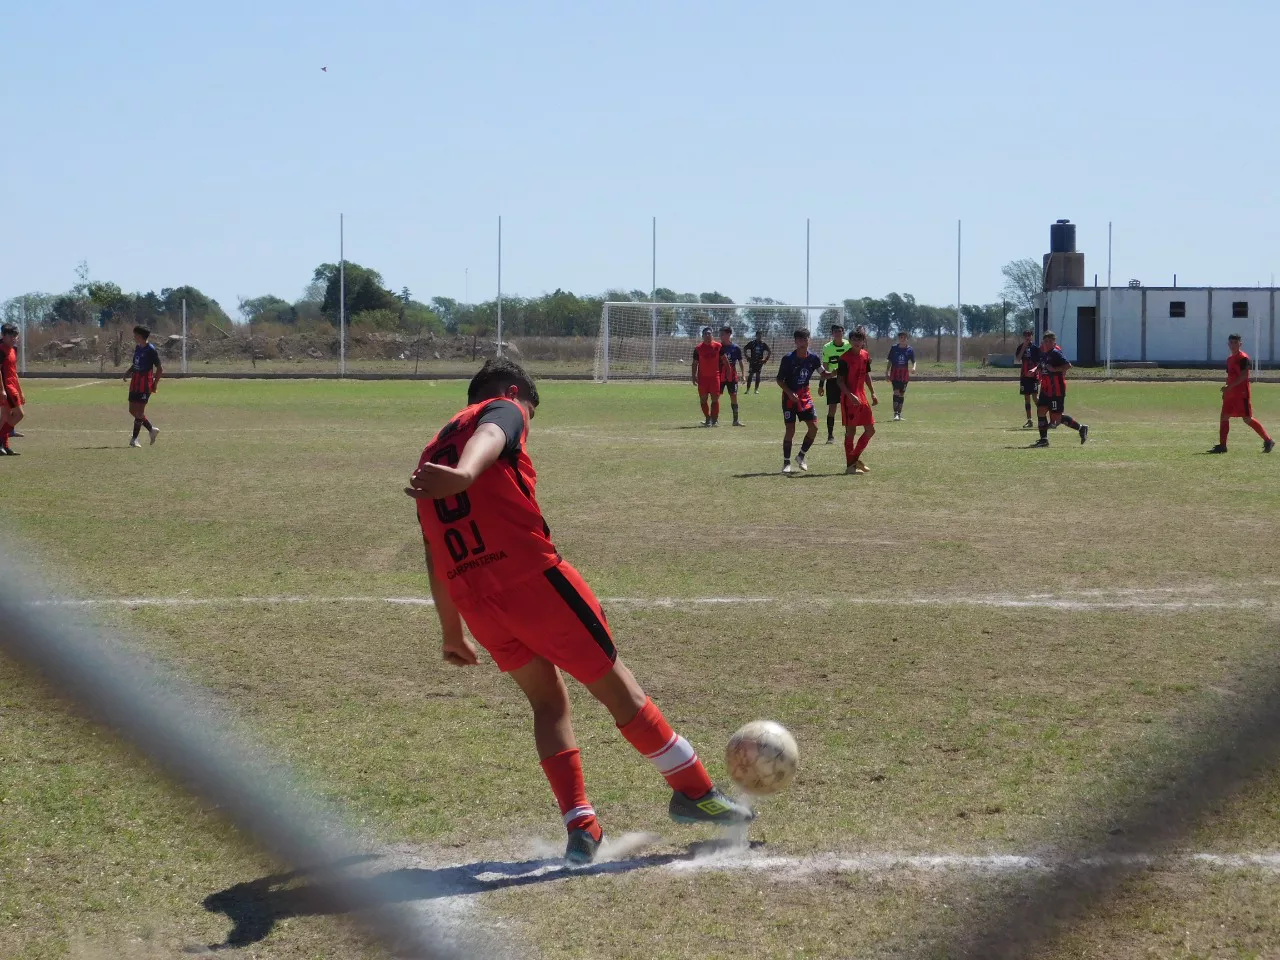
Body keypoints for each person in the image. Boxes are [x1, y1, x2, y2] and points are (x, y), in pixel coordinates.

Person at [405, 358, 752, 865]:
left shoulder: (429, 453)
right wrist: (465, 474)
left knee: (548, 704)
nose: (526, 422)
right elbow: (493, 435)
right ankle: (694, 792)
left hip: (476, 600)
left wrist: (451, 632)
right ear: (514, 391)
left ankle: (581, 824)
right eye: (530, 410)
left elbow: (435, 551)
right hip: (532, 582)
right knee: (619, 689)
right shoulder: (502, 408)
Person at [1209, 334, 1273, 454]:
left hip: (1241, 394)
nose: (1233, 345)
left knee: (1247, 419)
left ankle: (1268, 440)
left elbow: (1244, 376)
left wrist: (1229, 387)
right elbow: (1230, 376)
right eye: (1231, 342)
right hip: (1230, 394)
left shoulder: (1243, 358)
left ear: (1240, 344)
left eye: (1235, 342)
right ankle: (1222, 446)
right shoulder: (1229, 359)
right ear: (1228, 344)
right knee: (1224, 416)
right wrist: (1226, 391)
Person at [775, 328, 823, 474]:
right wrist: (789, 393)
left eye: (805, 339)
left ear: (809, 340)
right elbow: (779, 380)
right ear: (795, 342)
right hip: (789, 399)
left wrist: (834, 372)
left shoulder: (814, 358)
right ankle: (786, 462)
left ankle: (801, 456)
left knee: (814, 428)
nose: (802, 342)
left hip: (805, 397)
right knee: (790, 429)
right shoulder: (788, 359)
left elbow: (823, 373)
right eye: (799, 340)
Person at [1032, 332, 1087, 447]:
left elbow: (1068, 365)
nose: (1047, 343)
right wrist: (1035, 370)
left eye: (1050, 341)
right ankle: (1043, 439)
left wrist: (1054, 369)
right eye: (1046, 341)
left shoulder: (1056, 353)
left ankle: (1081, 428)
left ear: (1054, 343)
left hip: (1056, 389)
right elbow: (1042, 365)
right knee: (1041, 411)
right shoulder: (1044, 354)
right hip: (1046, 389)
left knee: (1056, 419)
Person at [837, 328, 879, 474]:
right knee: (851, 431)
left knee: (870, 430)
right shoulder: (844, 358)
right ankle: (851, 467)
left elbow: (866, 376)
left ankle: (853, 460)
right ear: (850, 341)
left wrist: (873, 392)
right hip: (849, 399)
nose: (856, 342)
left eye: (859, 339)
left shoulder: (865, 355)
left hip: (862, 397)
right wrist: (850, 395)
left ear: (863, 341)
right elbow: (840, 382)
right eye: (854, 339)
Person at [124, 325, 162, 448]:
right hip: (135, 381)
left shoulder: (151, 350)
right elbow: (135, 363)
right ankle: (152, 429)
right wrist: (128, 371)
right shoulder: (138, 348)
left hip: (145, 383)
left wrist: (154, 384)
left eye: (135, 335)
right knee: (132, 410)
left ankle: (134, 439)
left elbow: (160, 368)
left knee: (139, 411)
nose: (134, 337)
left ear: (140, 336)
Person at [818, 324, 854, 444]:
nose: (837, 333)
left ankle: (848, 433)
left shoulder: (849, 345)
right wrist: (821, 384)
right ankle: (830, 435)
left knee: (848, 407)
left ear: (843, 332)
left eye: (839, 331)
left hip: (847, 381)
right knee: (832, 408)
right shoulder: (827, 347)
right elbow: (825, 367)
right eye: (835, 332)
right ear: (832, 334)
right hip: (833, 382)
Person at [691, 327, 725, 426]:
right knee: (703, 399)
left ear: (712, 335)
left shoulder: (718, 346)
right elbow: (694, 363)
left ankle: (715, 419)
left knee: (715, 398)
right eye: (705, 334)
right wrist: (693, 376)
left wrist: (727, 371)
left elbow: (724, 360)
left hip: (715, 377)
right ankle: (707, 418)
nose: (707, 335)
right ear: (702, 336)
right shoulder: (698, 349)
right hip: (703, 378)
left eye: (709, 333)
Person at [0, 323, 24, 456]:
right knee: (19, 414)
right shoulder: (0, 349)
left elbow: (13, 371)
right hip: (5, 387)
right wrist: (2, 390)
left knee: (5, 417)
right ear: (3, 336)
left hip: (12, 385)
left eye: (15, 336)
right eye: (10, 336)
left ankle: (5, 446)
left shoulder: (14, 349)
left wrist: (20, 390)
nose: (14, 339)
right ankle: (0, 441)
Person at [884, 331, 916, 421]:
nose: (902, 339)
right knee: (896, 392)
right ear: (899, 338)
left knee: (902, 394)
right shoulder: (894, 348)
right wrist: (886, 372)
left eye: (904, 337)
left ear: (907, 339)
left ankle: (899, 414)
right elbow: (890, 360)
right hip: (895, 373)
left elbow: (914, 361)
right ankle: (895, 414)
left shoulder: (910, 349)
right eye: (901, 337)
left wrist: (914, 367)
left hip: (904, 374)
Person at [718, 326, 745, 426]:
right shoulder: (718, 347)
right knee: (716, 396)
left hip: (732, 376)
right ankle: (713, 419)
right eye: (720, 334)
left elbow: (741, 362)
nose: (720, 336)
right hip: (720, 375)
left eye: (722, 334)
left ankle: (735, 420)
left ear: (729, 334)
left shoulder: (736, 348)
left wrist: (743, 375)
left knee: (733, 396)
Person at [1014, 330, 1040, 428]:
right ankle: (1029, 420)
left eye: (1029, 335)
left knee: (1035, 398)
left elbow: (1039, 362)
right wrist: (1023, 347)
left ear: (1032, 336)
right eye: (1025, 335)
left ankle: (1043, 417)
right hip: (1024, 376)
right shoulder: (1020, 347)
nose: (1027, 337)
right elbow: (1017, 359)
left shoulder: (1035, 348)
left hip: (1033, 376)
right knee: (1026, 398)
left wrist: (1037, 374)